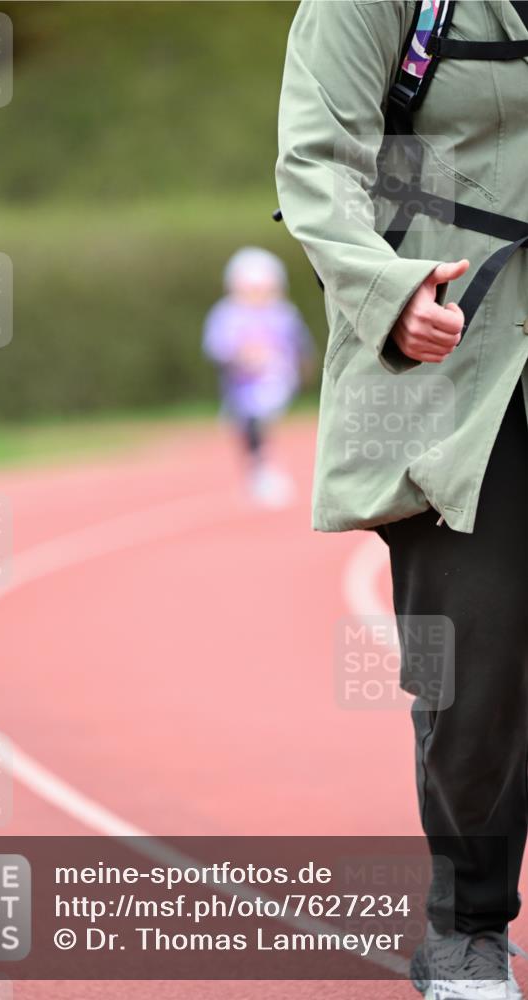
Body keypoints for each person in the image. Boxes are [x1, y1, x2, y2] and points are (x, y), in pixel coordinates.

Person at [276, 1, 527, 997]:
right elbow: (316, 162)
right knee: (479, 659)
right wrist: (387, 290)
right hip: (449, 361)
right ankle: (465, 927)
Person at [202, 246, 315, 507]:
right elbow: (219, 348)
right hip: (242, 387)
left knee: (262, 423)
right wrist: (242, 358)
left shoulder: (282, 313)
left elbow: (299, 344)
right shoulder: (228, 314)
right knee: (248, 428)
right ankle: (260, 469)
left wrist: (301, 366)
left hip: (276, 381)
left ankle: (267, 470)